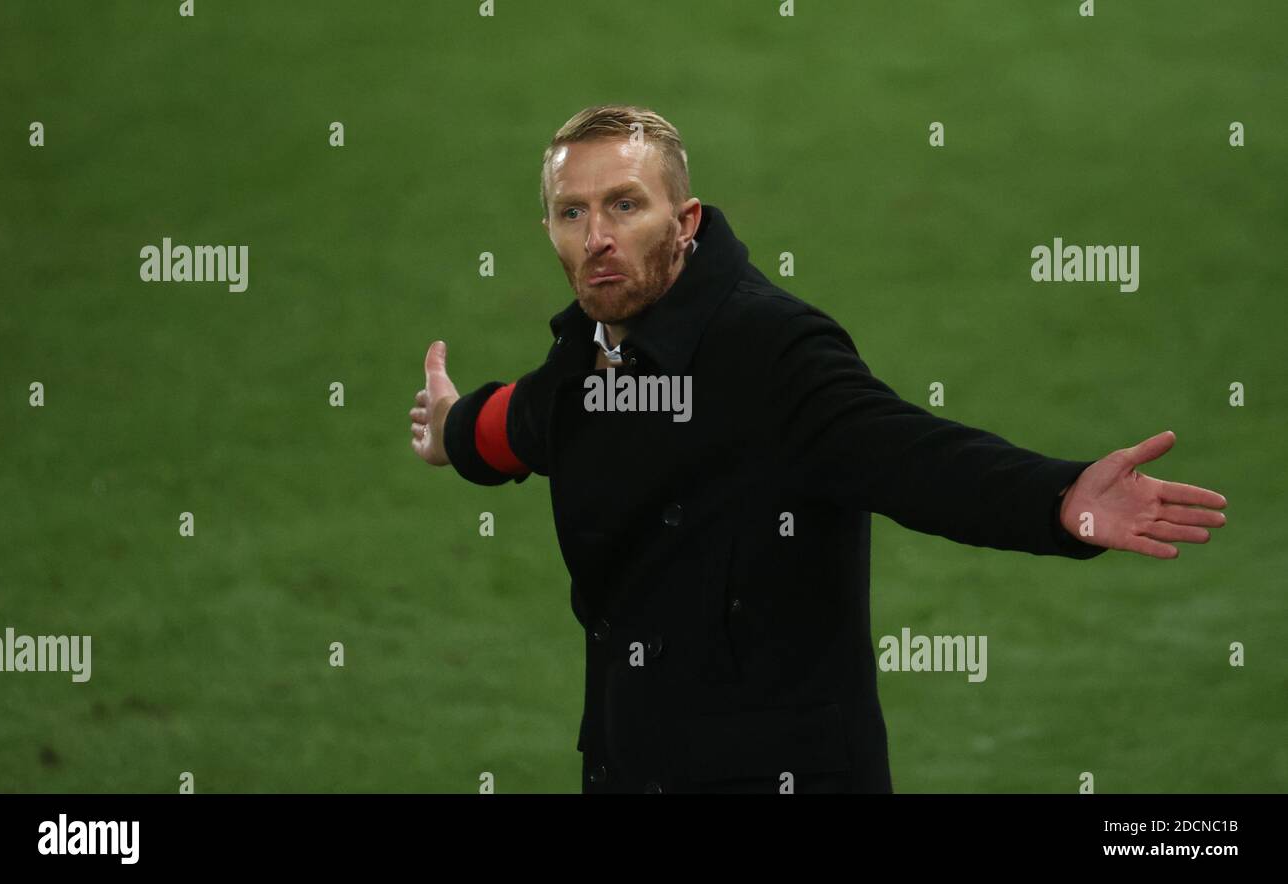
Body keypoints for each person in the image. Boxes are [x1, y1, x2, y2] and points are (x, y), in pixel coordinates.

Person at [409, 105, 1228, 793]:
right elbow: (527, 423)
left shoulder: (773, 352)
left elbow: (911, 456)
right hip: (630, 763)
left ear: (685, 221)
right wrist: (450, 429)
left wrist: (1057, 500)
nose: (597, 237)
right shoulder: (587, 355)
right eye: (573, 212)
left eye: (626, 205)